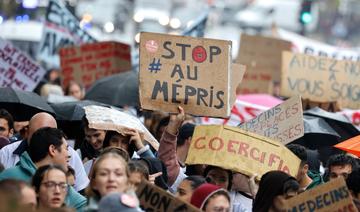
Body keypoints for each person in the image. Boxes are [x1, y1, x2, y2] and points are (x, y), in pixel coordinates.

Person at [0, 127, 86, 210]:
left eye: (61, 186)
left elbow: (83, 205)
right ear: (52, 150)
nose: (69, 154)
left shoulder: (61, 182)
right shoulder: (8, 177)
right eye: (66, 148)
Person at [0, 112, 89, 192]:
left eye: (50, 133)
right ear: (27, 133)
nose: (43, 139)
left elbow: (81, 192)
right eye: (38, 134)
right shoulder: (7, 153)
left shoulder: (69, 154)